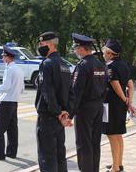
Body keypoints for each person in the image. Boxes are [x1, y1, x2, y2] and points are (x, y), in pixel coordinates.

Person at [68, 33, 107, 172]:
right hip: (98, 107)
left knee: (84, 144)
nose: (75, 51)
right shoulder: (100, 64)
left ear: (81, 48)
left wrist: (70, 114)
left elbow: (76, 92)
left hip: (84, 109)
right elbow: (104, 88)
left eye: (75, 48)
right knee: (95, 142)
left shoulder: (83, 66)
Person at [34, 32, 72, 171]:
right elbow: (70, 93)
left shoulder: (47, 64)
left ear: (50, 44)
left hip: (49, 117)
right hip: (60, 118)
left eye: (41, 44)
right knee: (60, 156)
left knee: (47, 157)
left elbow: (47, 93)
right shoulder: (65, 65)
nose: (40, 47)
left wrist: (57, 113)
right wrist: (66, 115)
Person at [102, 39, 135, 172]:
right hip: (120, 106)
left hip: (112, 105)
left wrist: (123, 99)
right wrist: (128, 101)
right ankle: (118, 163)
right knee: (118, 135)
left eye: (105, 52)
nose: (103, 54)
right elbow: (131, 85)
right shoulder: (124, 65)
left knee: (112, 135)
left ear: (110, 53)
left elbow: (115, 85)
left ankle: (115, 167)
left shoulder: (110, 66)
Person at [0, 45, 24, 160]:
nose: (2, 58)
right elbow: (22, 88)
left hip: (6, 102)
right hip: (14, 101)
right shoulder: (18, 69)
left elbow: (6, 87)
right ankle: (11, 152)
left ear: (8, 57)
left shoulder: (9, 69)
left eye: (3, 56)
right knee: (12, 128)